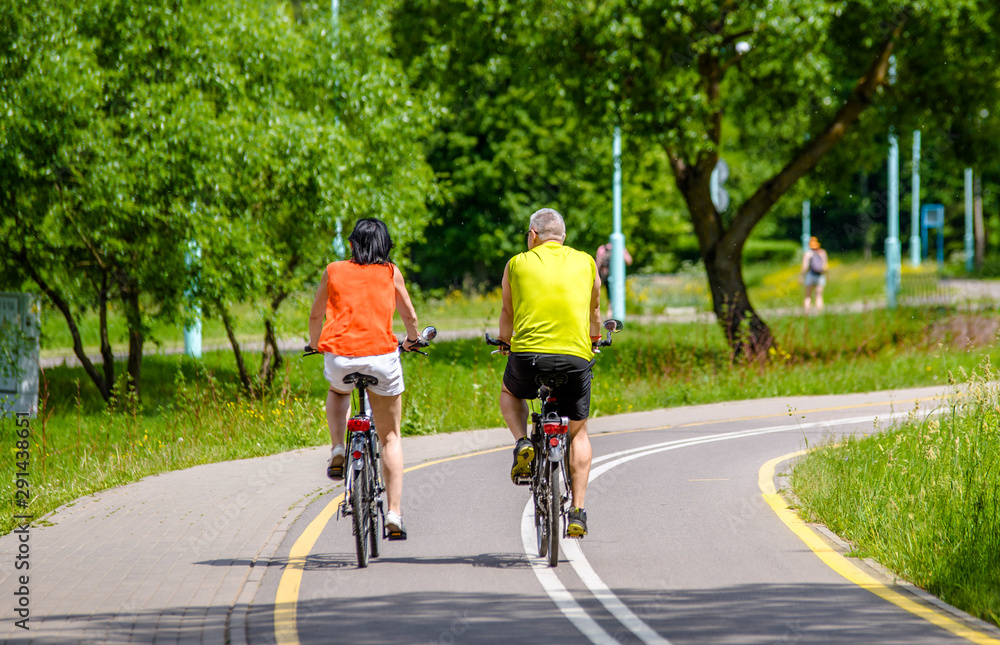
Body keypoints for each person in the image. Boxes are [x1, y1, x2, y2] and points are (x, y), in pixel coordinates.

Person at [307, 217, 422, 539]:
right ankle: (394, 513)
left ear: (351, 245)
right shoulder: (390, 272)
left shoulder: (333, 270)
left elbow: (317, 314)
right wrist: (413, 339)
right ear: (386, 246)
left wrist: (317, 344)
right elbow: (409, 316)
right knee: (390, 438)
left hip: (340, 358)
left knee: (338, 391)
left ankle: (338, 448)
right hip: (383, 359)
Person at [499, 208, 601, 537]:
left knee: (511, 393)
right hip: (574, 358)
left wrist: (505, 343)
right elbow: (594, 309)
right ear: (563, 237)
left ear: (533, 236)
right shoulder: (586, 261)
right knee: (579, 433)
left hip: (529, 358)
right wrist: (595, 340)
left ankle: (521, 443)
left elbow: (508, 311)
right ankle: (578, 512)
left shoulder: (516, 264)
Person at [595, 239, 633, 318]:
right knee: (618, 293)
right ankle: (617, 312)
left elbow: (598, 264)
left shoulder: (602, 248)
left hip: (605, 275)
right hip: (618, 276)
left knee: (609, 294)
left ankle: (609, 312)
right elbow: (629, 261)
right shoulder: (620, 247)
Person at [799, 236, 829, 313]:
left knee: (808, 296)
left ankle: (807, 313)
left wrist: (801, 276)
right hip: (820, 276)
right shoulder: (822, 252)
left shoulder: (808, 254)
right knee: (819, 296)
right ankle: (819, 313)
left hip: (810, 275)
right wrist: (827, 275)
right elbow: (826, 266)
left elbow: (805, 267)